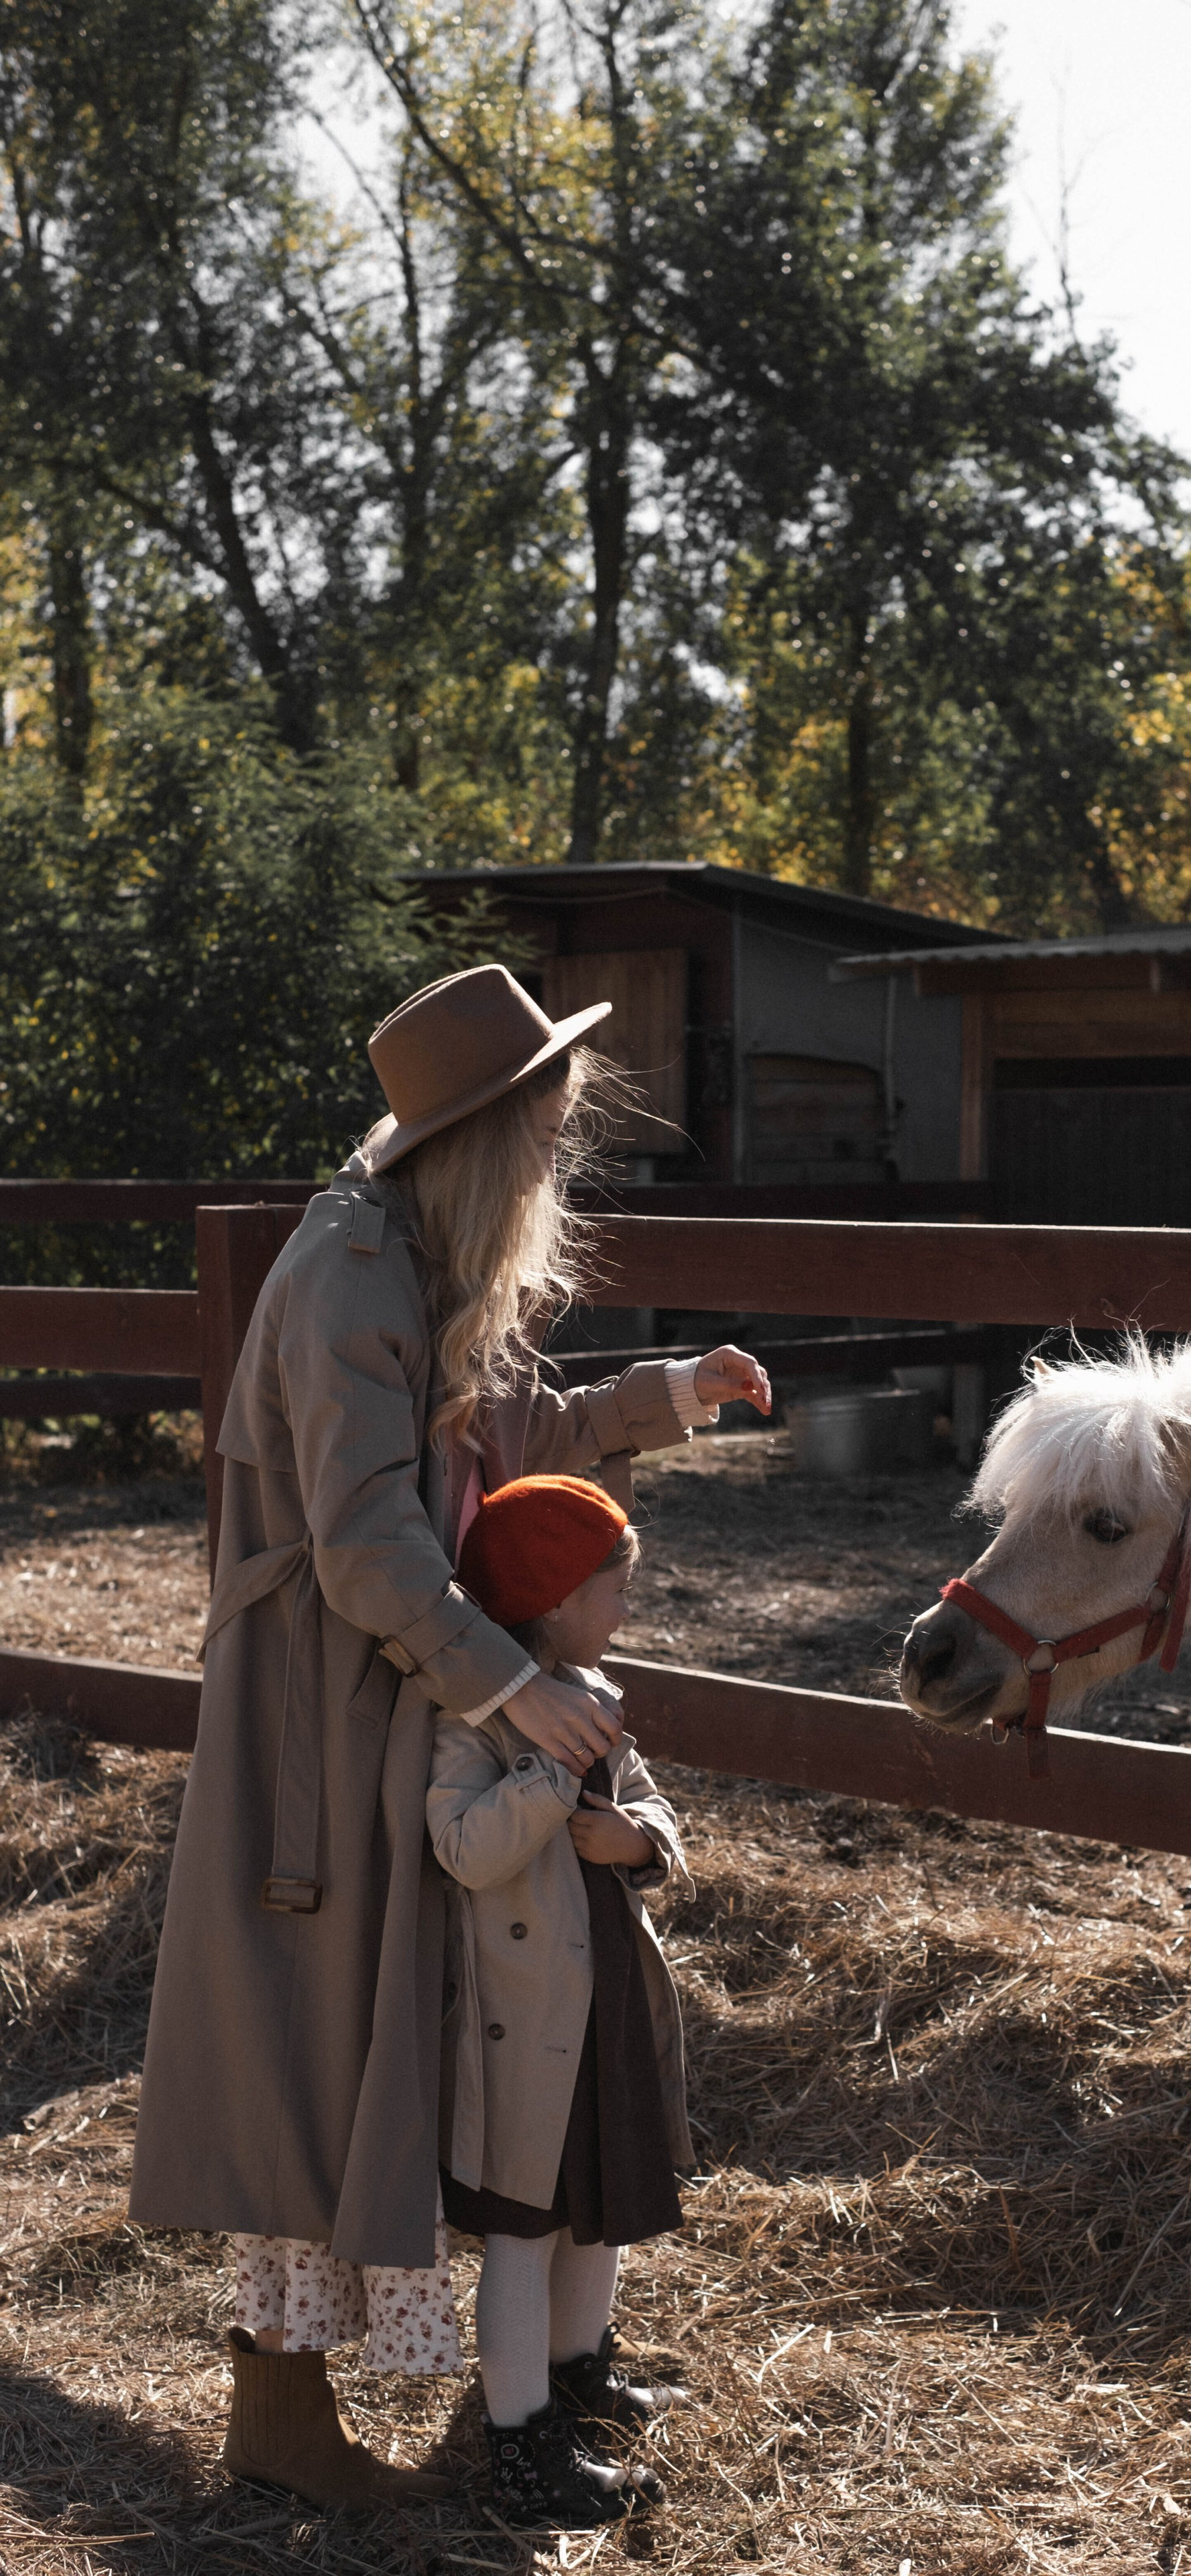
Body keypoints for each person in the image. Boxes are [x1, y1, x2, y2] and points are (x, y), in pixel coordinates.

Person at [127, 962, 771, 2508]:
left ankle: (493, 2380)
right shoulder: (353, 1274)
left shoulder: (416, 1250)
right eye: (544, 1133)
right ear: (479, 1136)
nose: (556, 1161)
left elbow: (501, 1438)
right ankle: (279, 2420)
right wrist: (506, 1684)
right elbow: (362, 1542)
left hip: (392, 1685)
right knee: (319, 2035)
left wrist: (663, 1396)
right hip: (325, 1717)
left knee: (388, 2032)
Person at [429, 1472, 697, 2529]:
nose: (627, 1609)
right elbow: (461, 1848)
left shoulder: (595, 1690)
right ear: (551, 1599)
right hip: (522, 2028)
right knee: (525, 2235)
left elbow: (652, 1805)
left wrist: (641, 1842)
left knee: (600, 2215)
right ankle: (522, 2446)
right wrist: (548, 1779)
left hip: (606, 2011)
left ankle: (582, 2378)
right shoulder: (477, 1717)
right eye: (614, 1589)